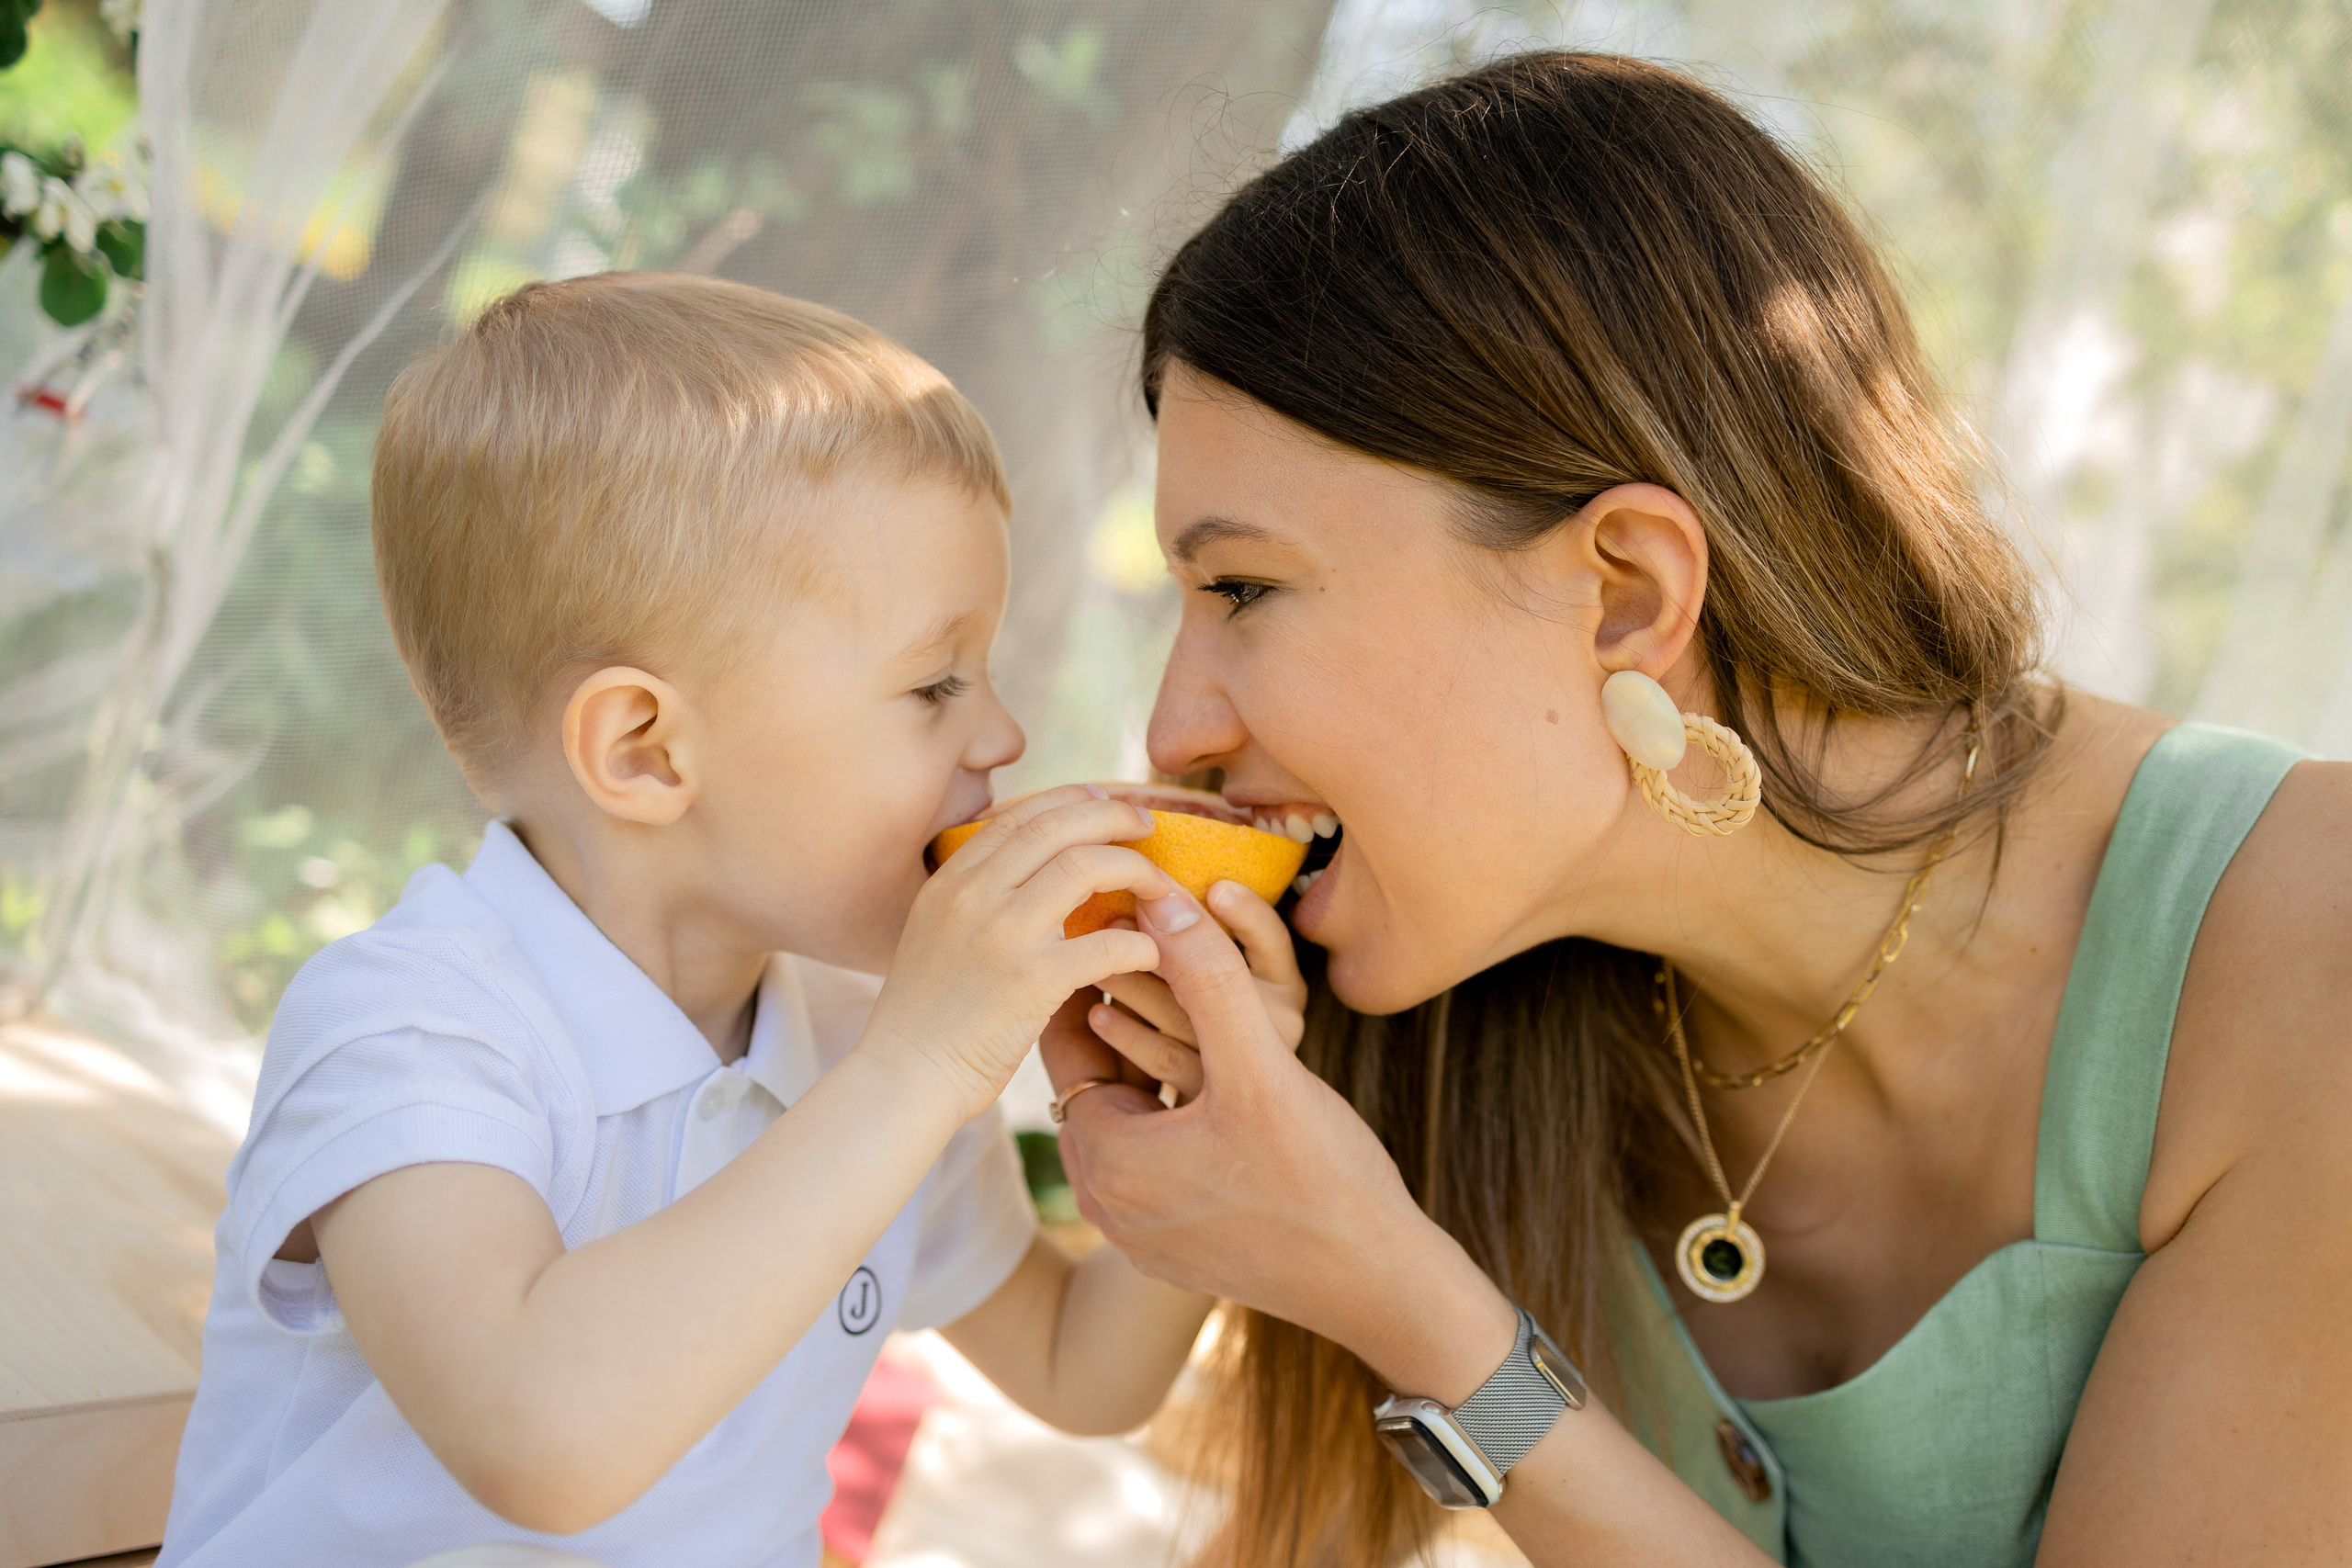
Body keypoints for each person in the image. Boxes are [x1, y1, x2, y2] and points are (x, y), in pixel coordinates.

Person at [1042, 51, 2352, 1568]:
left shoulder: (2306, 961)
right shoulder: (1466, 1019)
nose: (1174, 726)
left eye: (1244, 588)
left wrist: (1404, 1300)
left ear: (1627, 594)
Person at [158, 274, 1288, 1567]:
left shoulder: (859, 1046)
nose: (1003, 734)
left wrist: (1198, 1121)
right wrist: (917, 1070)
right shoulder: (413, 1028)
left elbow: (1080, 1370)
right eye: (933, 683)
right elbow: (540, 1436)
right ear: (644, 750)